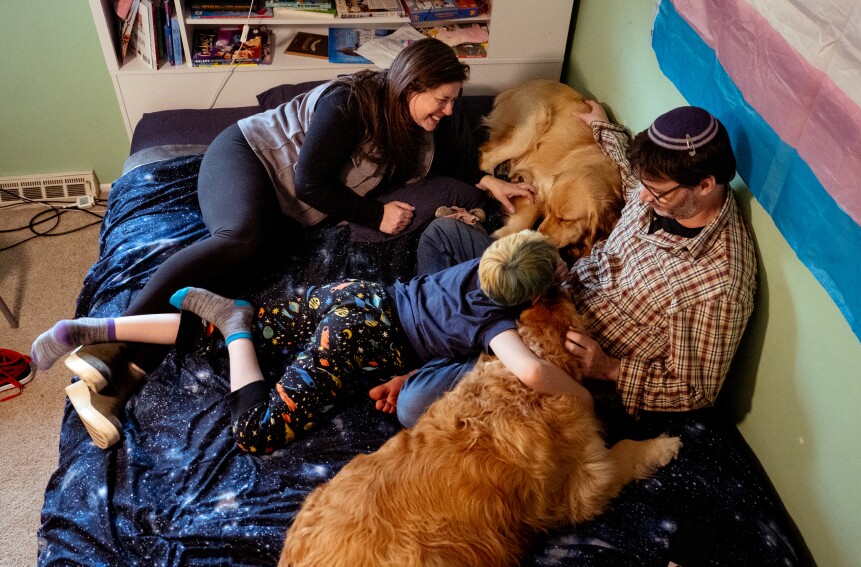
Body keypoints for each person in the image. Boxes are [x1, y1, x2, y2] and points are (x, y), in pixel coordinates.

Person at [64, 38, 536, 438]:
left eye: (455, 100)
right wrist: (374, 212)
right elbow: (310, 182)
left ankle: (121, 381)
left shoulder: (420, 129)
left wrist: (486, 182)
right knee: (239, 240)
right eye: (443, 99)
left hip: (288, 210)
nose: (450, 110)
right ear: (412, 87)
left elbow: (450, 164)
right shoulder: (351, 102)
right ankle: (109, 342)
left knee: (235, 284)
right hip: (247, 159)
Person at [371, 102, 757, 428]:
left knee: (412, 405)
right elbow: (628, 174)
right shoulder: (661, 188)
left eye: (656, 191)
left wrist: (608, 368)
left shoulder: (719, 283)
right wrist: (602, 126)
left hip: (560, 355)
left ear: (705, 185)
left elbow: (697, 390)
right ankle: (460, 341)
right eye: (645, 185)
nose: (644, 196)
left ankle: (454, 348)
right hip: (548, 289)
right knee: (445, 234)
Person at [32, 230, 585, 452]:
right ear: (530, 297)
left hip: (355, 295)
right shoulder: (497, 324)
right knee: (255, 431)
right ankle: (236, 324)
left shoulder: (475, 265)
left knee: (226, 337)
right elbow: (533, 373)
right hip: (360, 336)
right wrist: (581, 397)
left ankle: (90, 328)